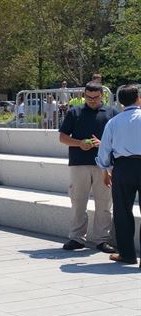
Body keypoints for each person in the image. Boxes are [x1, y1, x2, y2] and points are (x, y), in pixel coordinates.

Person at [59, 81, 119, 254]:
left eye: (96, 97)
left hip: (104, 164)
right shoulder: (74, 112)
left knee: (105, 203)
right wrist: (79, 144)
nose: (92, 100)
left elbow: (118, 139)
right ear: (84, 95)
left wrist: (103, 144)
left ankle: (102, 240)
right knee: (78, 202)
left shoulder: (111, 113)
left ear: (102, 96)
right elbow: (62, 137)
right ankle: (77, 238)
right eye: (89, 97)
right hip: (79, 163)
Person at [95, 85, 141, 266]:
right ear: (138, 98)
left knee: (122, 211)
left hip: (123, 167)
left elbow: (104, 150)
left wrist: (105, 170)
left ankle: (127, 254)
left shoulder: (114, 122)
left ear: (120, 102)